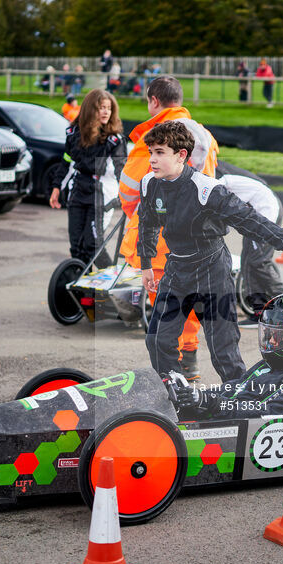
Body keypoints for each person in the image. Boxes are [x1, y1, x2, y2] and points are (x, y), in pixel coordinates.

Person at [137, 121, 283, 383]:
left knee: (224, 351)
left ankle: (240, 403)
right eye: (151, 152)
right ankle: (173, 392)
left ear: (181, 156)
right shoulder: (149, 184)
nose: (152, 160)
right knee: (157, 340)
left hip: (211, 269)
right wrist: (146, 264)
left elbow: (254, 222)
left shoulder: (207, 190)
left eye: (159, 153)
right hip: (177, 269)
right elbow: (147, 225)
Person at [118, 75, 220, 381]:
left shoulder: (155, 135)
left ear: (153, 101)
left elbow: (128, 189)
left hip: (162, 239)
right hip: (197, 234)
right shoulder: (205, 136)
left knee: (166, 306)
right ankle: (188, 362)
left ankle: (170, 373)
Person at [165, 294, 283, 420]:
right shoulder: (272, 365)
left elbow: (262, 410)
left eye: (280, 336)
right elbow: (237, 387)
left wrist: (213, 403)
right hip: (228, 417)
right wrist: (195, 394)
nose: (271, 341)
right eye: (269, 333)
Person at [49, 89, 127, 269]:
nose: (106, 112)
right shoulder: (73, 133)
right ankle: (83, 294)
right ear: (91, 110)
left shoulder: (114, 140)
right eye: (101, 108)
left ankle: (109, 291)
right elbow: (67, 162)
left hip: (101, 196)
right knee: (76, 248)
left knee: (92, 247)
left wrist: (128, 195)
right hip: (78, 192)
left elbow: (121, 170)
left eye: (109, 108)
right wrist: (56, 187)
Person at [215, 171, 283, 327]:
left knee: (259, 261)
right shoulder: (220, 183)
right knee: (247, 262)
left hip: (265, 213)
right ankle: (259, 312)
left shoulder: (220, 184)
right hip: (253, 218)